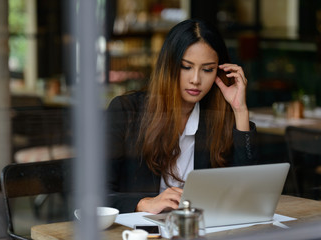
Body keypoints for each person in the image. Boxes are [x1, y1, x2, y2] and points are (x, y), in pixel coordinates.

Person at [106, 18, 258, 214]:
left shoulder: (215, 118)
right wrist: (143, 203)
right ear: (169, 66)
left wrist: (240, 110)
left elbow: (246, 193)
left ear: (219, 72)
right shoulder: (126, 111)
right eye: (186, 67)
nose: (196, 80)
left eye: (207, 69)